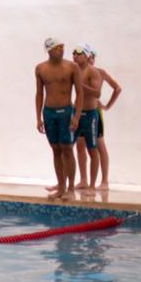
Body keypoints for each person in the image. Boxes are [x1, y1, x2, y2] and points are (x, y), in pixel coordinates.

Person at [35, 37, 84, 201]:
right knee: (56, 149)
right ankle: (61, 187)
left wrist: (76, 116)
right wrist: (38, 117)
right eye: (58, 47)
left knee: (68, 149)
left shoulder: (72, 67)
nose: (62, 50)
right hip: (49, 113)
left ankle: (71, 188)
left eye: (63, 47)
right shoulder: (40, 68)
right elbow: (39, 93)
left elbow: (80, 93)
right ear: (49, 50)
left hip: (66, 112)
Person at [72, 45, 104, 195]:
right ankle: (71, 183)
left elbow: (97, 93)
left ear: (86, 55)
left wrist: (81, 85)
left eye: (79, 53)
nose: (75, 56)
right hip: (76, 114)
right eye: (73, 53)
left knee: (93, 150)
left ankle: (92, 185)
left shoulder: (93, 71)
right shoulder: (73, 69)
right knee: (69, 147)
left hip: (90, 115)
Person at [90, 48, 121, 190]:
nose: (90, 59)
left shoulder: (100, 72)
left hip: (94, 112)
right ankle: (84, 180)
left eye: (91, 57)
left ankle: (104, 181)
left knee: (99, 146)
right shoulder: (77, 71)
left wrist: (107, 106)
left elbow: (117, 88)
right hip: (81, 112)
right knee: (81, 147)